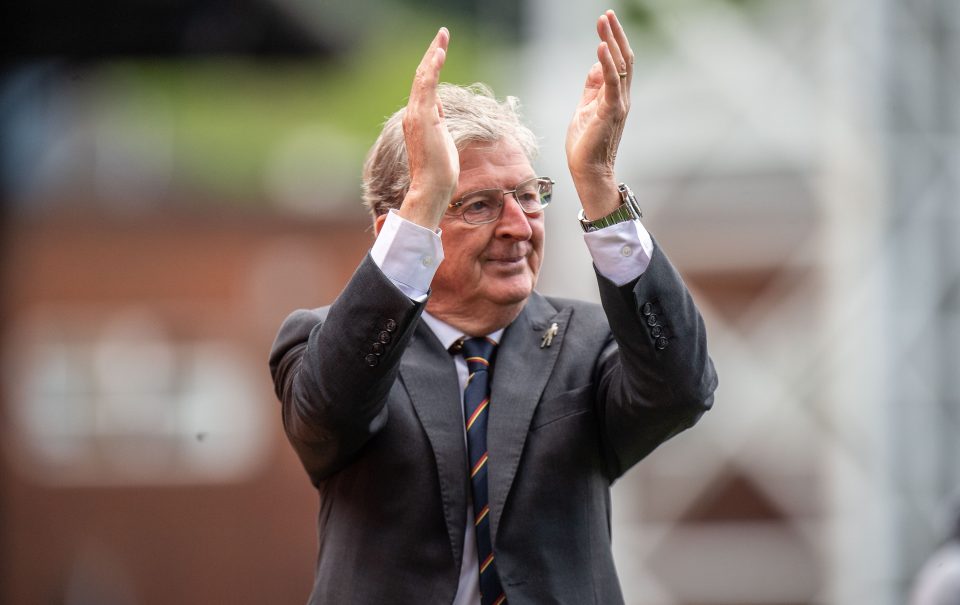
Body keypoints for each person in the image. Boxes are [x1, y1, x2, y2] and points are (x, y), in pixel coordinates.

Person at [269, 10, 717, 605]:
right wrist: (425, 196)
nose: (517, 226)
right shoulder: (330, 345)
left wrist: (601, 187)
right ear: (401, 227)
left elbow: (682, 389)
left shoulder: (588, 343)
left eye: (529, 197)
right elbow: (329, 415)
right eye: (479, 205)